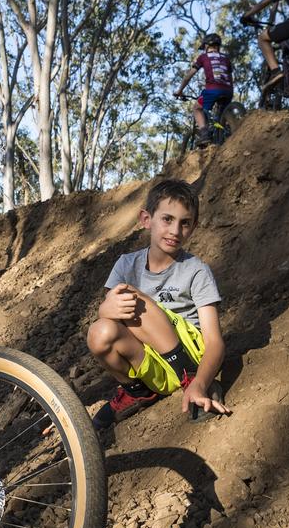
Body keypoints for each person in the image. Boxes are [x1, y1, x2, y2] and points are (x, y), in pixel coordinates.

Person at [85, 179, 231, 429]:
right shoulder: (125, 264)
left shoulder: (196, 271)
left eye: (184, 223)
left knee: (132, 298)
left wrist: (200, 382)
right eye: (167, 219)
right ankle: (138, 391)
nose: (175, 230)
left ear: (193, 227)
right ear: (146, 219)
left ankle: (190, 376)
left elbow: (215, 341)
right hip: (152, 361)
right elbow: (108, 312)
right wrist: (103, 309)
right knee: (99, 332)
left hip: (188, 356)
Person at [174, 33, 234, 146]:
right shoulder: (226, 58)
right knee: (220, 116)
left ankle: (205, 135)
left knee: (197, 108)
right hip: (228, 91)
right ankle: (224, 132)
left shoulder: (203, 57)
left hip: (212, 90)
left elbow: (188, 76)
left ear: (206, 46)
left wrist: (180, 90)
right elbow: (230, 78)